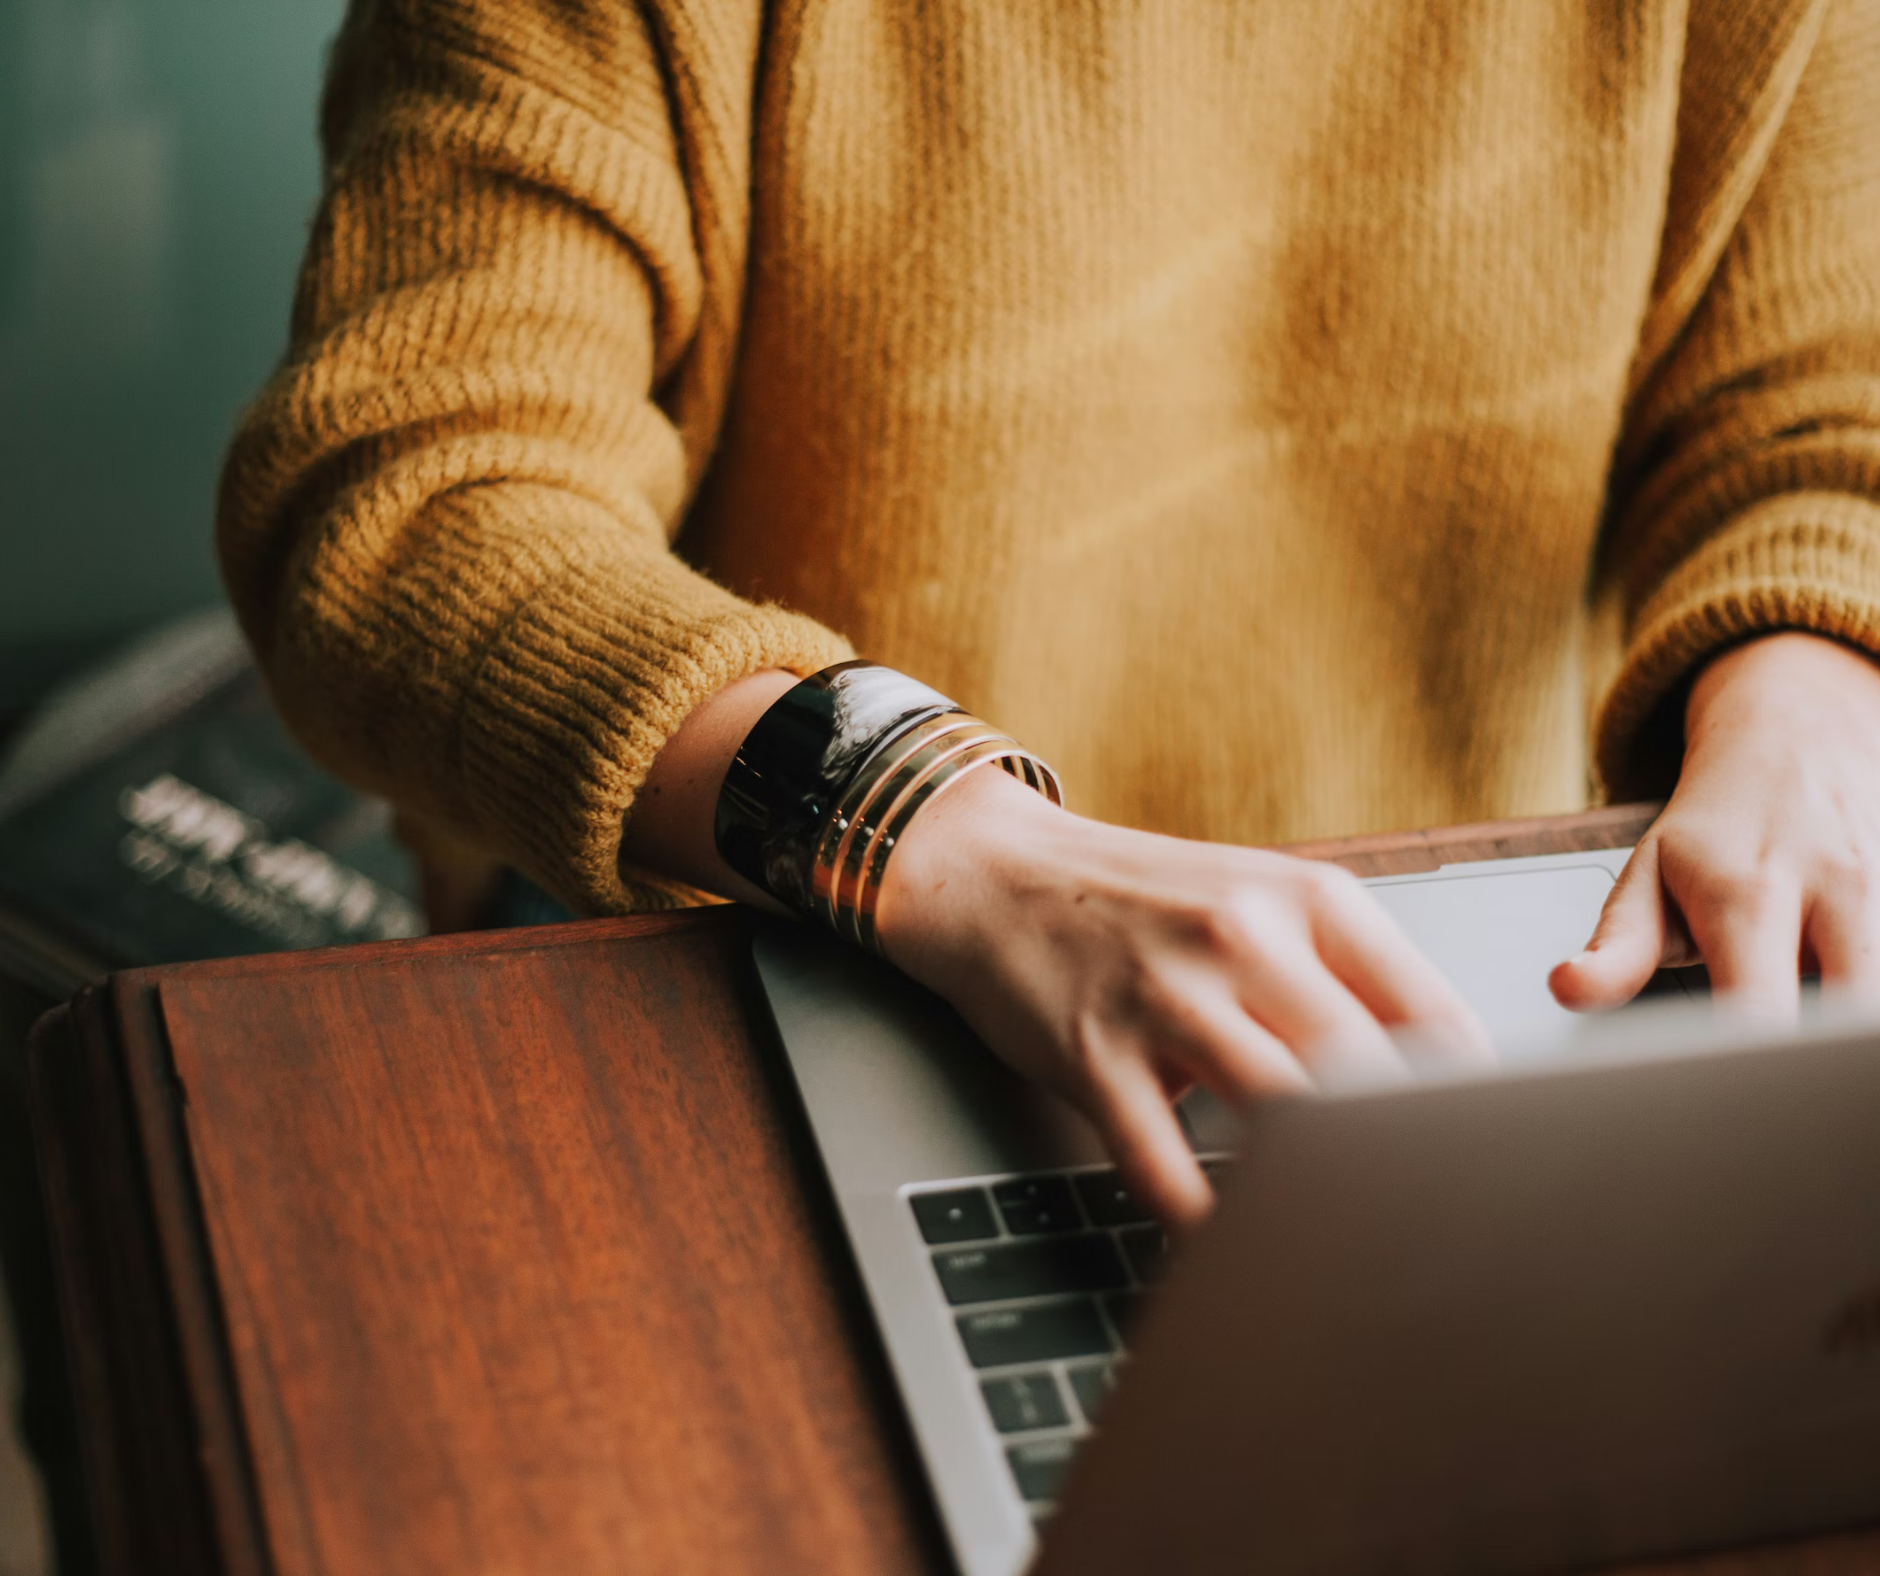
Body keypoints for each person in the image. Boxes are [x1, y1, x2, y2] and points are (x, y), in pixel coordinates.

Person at [218, 0, 1880, 1226]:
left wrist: (1801, 706)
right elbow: (410, 500)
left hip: (1495, 998)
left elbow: (1822, 426)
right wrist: (942, 841)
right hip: (792, 964)